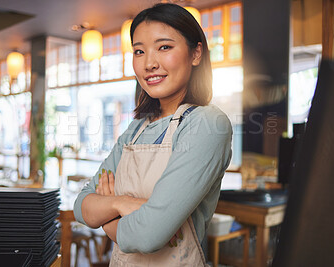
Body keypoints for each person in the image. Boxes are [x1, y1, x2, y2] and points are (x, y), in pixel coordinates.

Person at [74, 3, 233, 266]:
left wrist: (107, 216)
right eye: (139, 51)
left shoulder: (207, 123)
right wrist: (123, 204)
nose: (149, 63)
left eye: (164, 47)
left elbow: (148, 235)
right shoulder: (137, 128)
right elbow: (81, 206)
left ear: (196, 53)